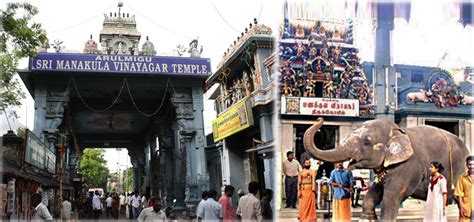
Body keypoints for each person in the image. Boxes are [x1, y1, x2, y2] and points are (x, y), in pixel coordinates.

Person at [455, 155, 473, 221]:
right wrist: (461, 207)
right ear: (466, 165)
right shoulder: (462, 178)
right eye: (470, 164)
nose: (472, 167)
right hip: (466, 209)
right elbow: (459, 194)